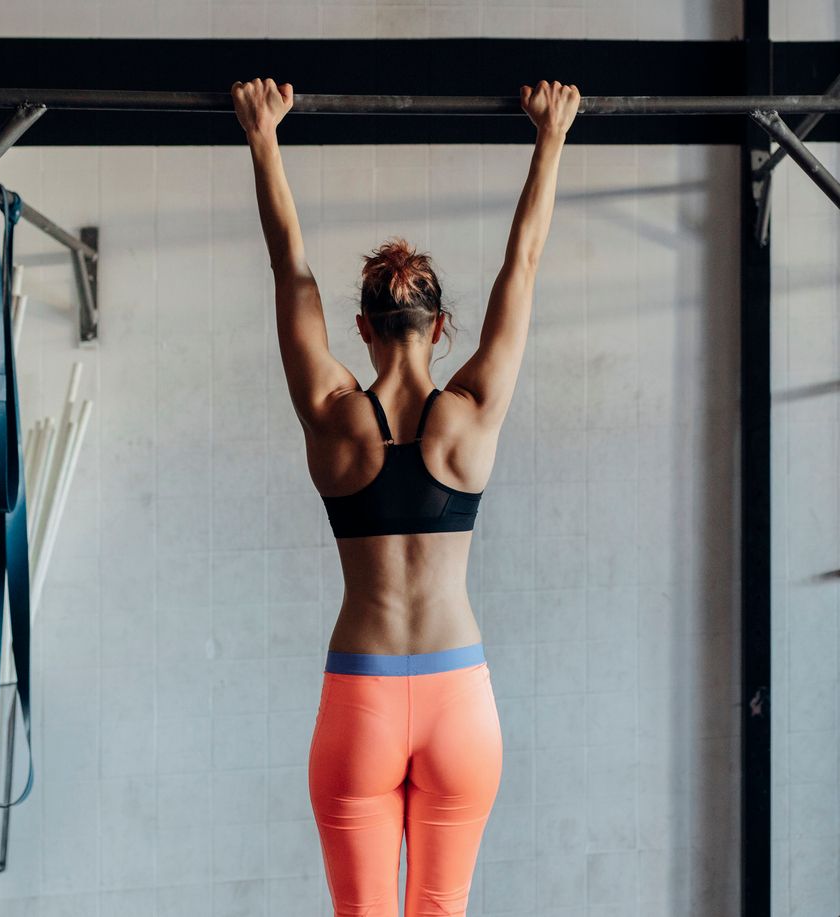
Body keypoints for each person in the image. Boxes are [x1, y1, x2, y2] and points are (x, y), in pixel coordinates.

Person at [232, 76, 579, 917]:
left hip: (362, 699)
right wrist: (551, 139)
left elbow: (291, 268)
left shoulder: (334, 416)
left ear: (364, 328)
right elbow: (521, 267)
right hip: (461, 701)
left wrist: (264, 137)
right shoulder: (471, 417)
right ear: (440, 327)